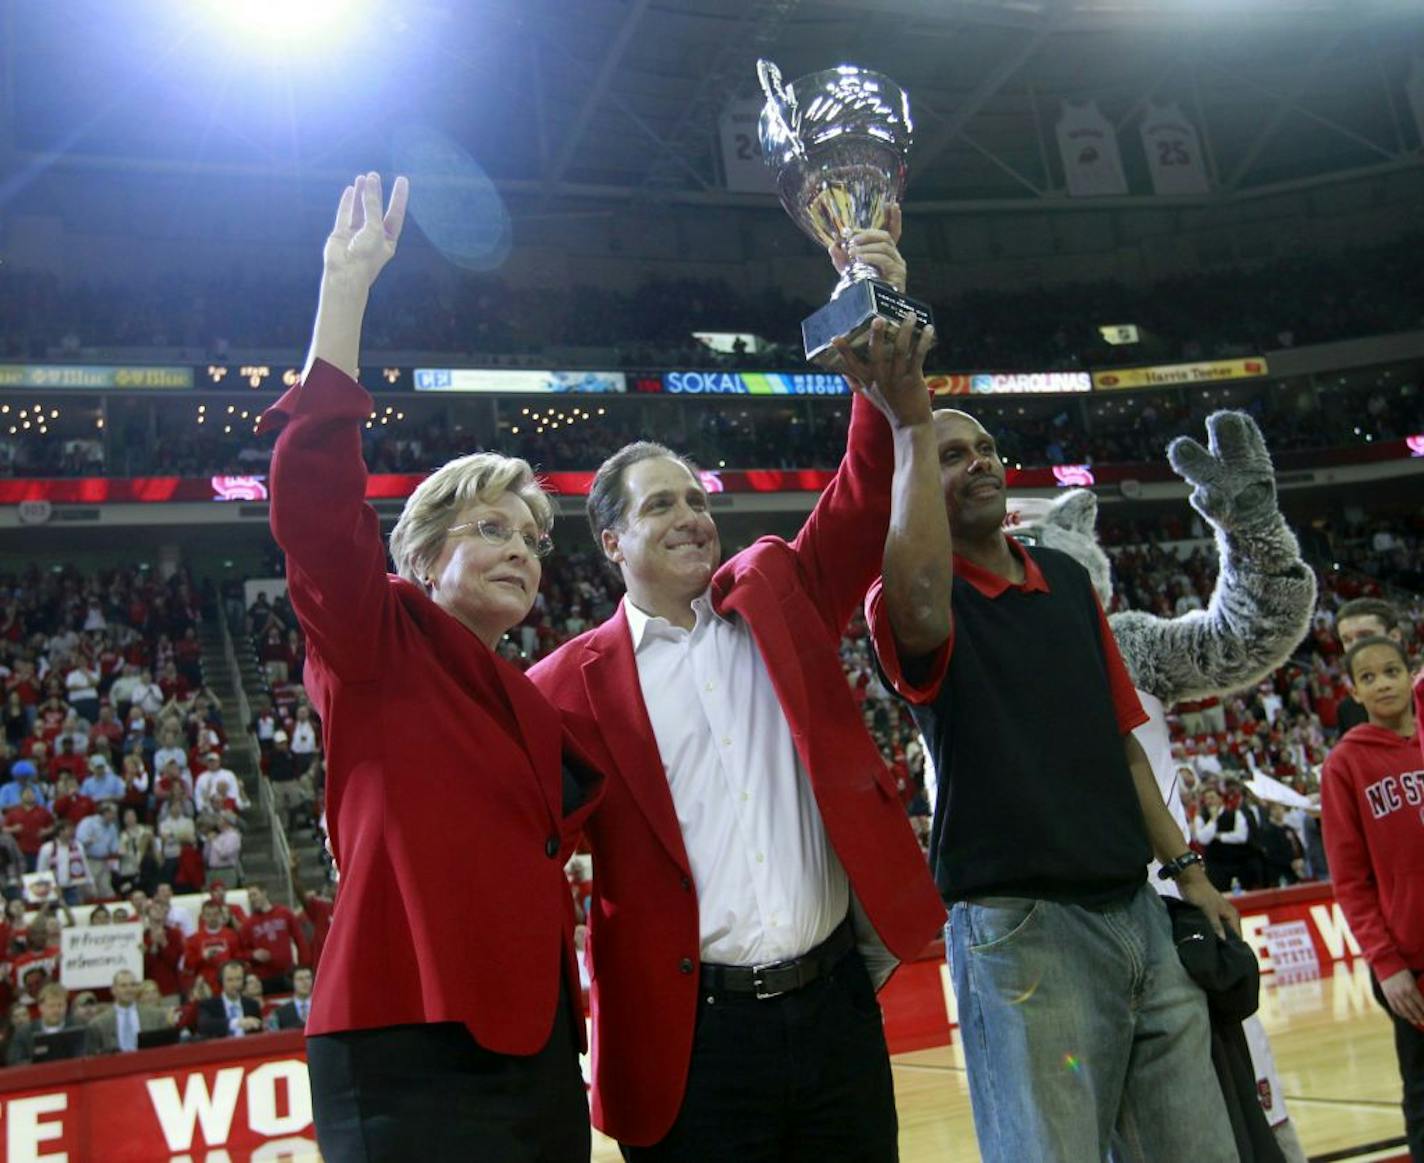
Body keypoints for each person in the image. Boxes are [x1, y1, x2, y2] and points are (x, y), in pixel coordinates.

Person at [530, 215, 946, 1159]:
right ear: (611, 542)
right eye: (661, 504)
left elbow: (860, 490)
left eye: (697, 498)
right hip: (694, 1045)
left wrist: (869, 314)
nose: (691, 515)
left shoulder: (775, 591)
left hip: (836, 1007)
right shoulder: (562, 687)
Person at [259, 171, 601, 1162]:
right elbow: (315, 506)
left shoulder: (535, 705)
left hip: (535, 1047)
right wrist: (347, 290)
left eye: (535, 539)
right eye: (491, 527)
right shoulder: (373, 636)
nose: (522, 550)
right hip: (402, 1039)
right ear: (420, 553)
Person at [866, 406, 1240, 1163]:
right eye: (951, 456)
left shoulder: (1067, 579)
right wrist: (905, 427)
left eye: (988, 447)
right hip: (1022, 931)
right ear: (912, 485)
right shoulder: (908, 604)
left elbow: (1125, 747)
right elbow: (915, 594)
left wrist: (1188, 872)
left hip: (1138, 911)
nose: (979, 462)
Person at [1322, 635, 1424, 1161]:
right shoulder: (1345, 765)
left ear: (1412, 677)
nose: (1383, 683)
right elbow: (1350, 880)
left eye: (1391, 671)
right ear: (1354, 691)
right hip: (1412, 964)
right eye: (1368, 677)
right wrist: (1387, 965)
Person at [1334, 598, 1405, 734]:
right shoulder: (1347, 710)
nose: (1355, 646)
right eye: (1347, 640)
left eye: (1365, 636)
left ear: (1394, 636)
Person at [239, 883, 308, 994]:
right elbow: (240, 952)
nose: (252, 899)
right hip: (264, 977)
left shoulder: (284, 913)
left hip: (287, 973)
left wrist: (303, 966)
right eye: (249, 896)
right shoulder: (248, 924)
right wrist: (253, 955)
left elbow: (299, 940)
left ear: (264, 893)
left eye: (254, 894)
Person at [86, 969, 174, 1054]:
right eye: (123, 986)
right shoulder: (99, 1024)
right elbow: (92, 1057)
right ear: (113, 990)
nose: (129, 989)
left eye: (133, 985)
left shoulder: (157, 1016)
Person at [7, 982, 80, 1065]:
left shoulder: (77, 1026)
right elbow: (15, 1061)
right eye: (51, 1006)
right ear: (41, 1007)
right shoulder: (24, 1033)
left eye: (60, 1005)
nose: (56, 1010)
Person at [196, 960, 263, 1039]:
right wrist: (236, 1023)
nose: (235, 984)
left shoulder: (252, 1005)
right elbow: (204, 1025)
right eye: (230, 980)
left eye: (238, 979)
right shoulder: (209, 1005)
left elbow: (259, 1033)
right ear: (221, 981)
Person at [271, 966, 315, 1030]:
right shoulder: (280, 1012)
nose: (305, 982)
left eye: (308, 978)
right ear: (291, 982)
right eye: (300, 979)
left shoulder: (323, 1007)